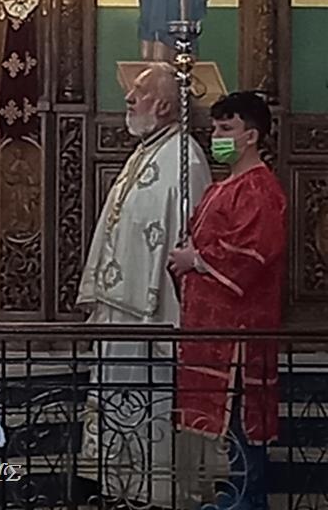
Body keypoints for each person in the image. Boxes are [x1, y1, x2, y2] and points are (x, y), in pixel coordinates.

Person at [76, 63, 211, 506]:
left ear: (166, 105)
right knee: (116, 402)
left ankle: (155, 492)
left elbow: (189, 236)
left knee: (148, 403)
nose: (129, 99)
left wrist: (174, 306)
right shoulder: (145, 152)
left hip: (153, 314)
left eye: (141, 92)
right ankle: (116, 487)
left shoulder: (186, 159)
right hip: (121, 308)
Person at [170, 92, 286, 510]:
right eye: (215, 128)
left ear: (251, 136)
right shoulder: (224, 186)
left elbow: (250, 254)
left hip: (239, 332)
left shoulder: (259, 188)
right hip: (211, 327)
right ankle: (234, 495)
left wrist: (196, 259)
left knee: (241, 419)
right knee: (227, 424)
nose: (216, 136)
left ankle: (248, 500)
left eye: (226, 129)